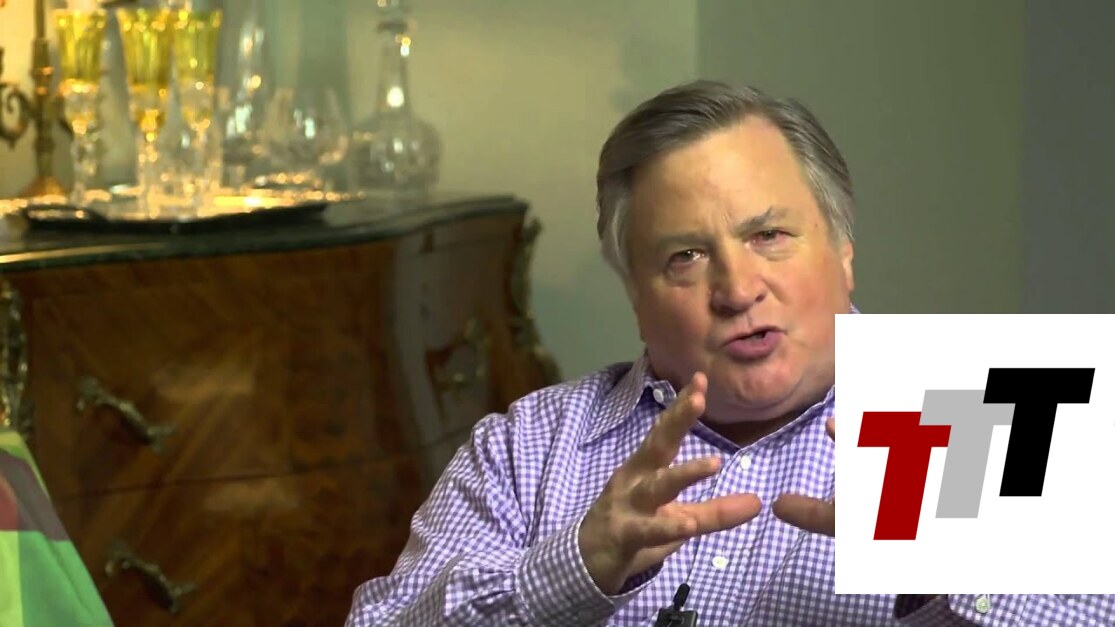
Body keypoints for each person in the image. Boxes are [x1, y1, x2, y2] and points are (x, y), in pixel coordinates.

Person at [345, 80, 1115, 625]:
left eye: (768, 235)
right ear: (635, 296)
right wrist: (572, 567)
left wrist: (961, 570)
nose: (738, 288)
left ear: (843, 251)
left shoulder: (1000, 407)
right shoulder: (528, 447)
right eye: (684, 256)